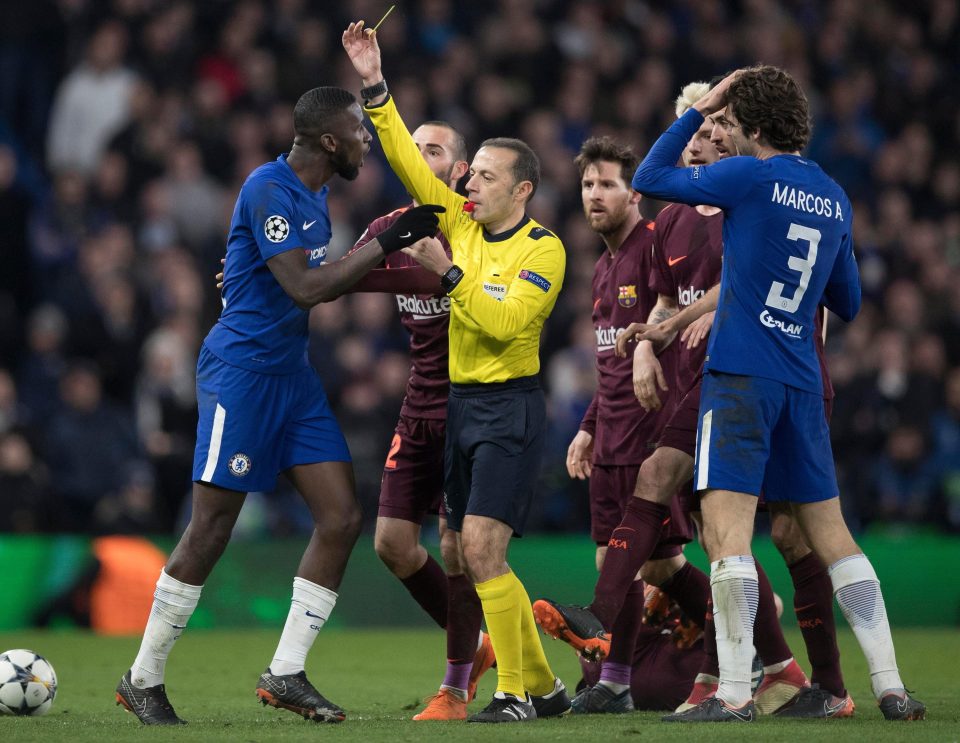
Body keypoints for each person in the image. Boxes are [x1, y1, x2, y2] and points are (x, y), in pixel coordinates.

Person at [115, 85, 444, 726]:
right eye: (358, 129)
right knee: (211, 525)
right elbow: (303, 287)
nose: (366, 140)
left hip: (292, 379)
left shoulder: (315, 196)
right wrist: (388, 241)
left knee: (342, 515)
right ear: (328, 140)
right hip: (241, 376)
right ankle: (142, 677)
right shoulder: (269, 186)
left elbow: (279, 268)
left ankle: (286, 671)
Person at [631, 65, 924, 722]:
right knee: (833, 535)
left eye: (727, 124)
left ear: (755, 128)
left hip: (740, 375)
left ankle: (733, 691)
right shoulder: (834, 195)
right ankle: (889, 685)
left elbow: (649, 178)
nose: (720, 133)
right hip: (801, 378)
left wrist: (695, 107)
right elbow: (846, 299)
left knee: (725, 530)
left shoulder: (749, 176)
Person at [534, 88, 809, 718]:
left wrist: (703, 315)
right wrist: (641, 353)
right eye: (695, 125)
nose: (700, 138)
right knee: (674, 557)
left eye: (713, 125)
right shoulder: (669, 226)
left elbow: (745, 283)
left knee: (726, 537)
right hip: (661, 404)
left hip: (724, 388)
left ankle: (723, 662)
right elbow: (655, 311)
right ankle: (737, 669)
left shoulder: (743, 205)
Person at [343, 20, 570, 723]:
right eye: (470, 174)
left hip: (509, 407)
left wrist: (450, 277)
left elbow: (503, 324)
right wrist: (375, 83)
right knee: (467, 551)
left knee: (478, 547)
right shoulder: (460, 222)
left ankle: (508, 695)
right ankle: (547, 688)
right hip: (462, 409)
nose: (469, 181)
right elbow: (409, 163)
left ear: (522, 189)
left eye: (484, 175)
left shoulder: (545, 251)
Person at [536, 135, 706, 715]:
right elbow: (611, 360)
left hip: (653, 434)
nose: (595, 194)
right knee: (655, 564)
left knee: (630, 560)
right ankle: (620, 679)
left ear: (635, 190)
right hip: (610, 437)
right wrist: (587, 425)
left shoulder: (655, 244)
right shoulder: (603, 268)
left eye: (608, 183)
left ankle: (619, 675)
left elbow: (667, 331)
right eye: (588, 184)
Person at [346, 122, 497, 721]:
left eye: (433, 149)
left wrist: (409, 268)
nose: (419, 154)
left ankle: (455, 689)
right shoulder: (388, 227)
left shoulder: (476, 229)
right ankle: (481, 646)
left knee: (457, 549)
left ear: (459, 171)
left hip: (470, 405)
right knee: (392, 544)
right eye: (415, 146)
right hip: (418, 407)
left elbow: (400, 279)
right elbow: (344, 275)